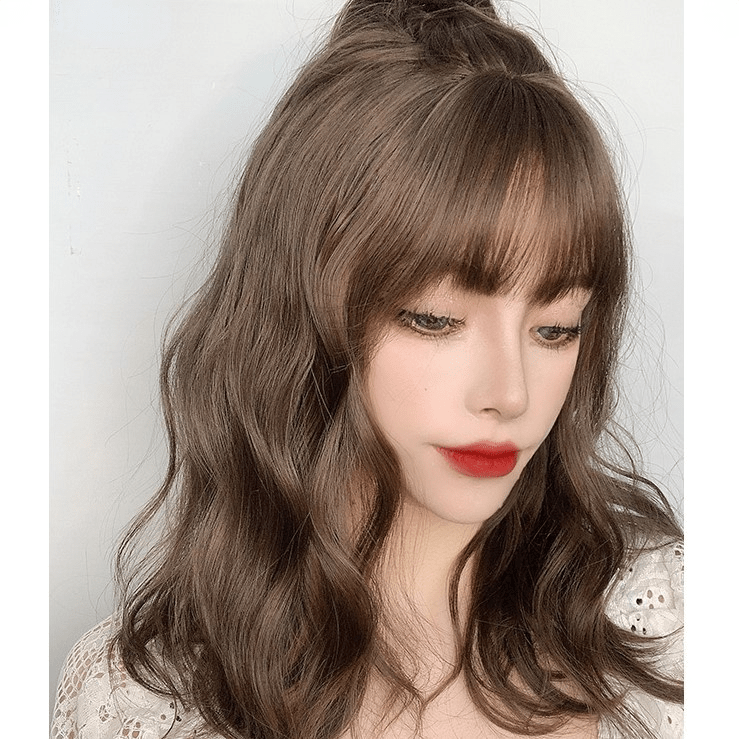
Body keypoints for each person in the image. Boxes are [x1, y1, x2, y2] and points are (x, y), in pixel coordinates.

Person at [51, 1, 683, 738]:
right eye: (435, 319)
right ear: (306, 314)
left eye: (555, 328)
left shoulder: (677, 631)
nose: (509, 394)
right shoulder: (138, 698)